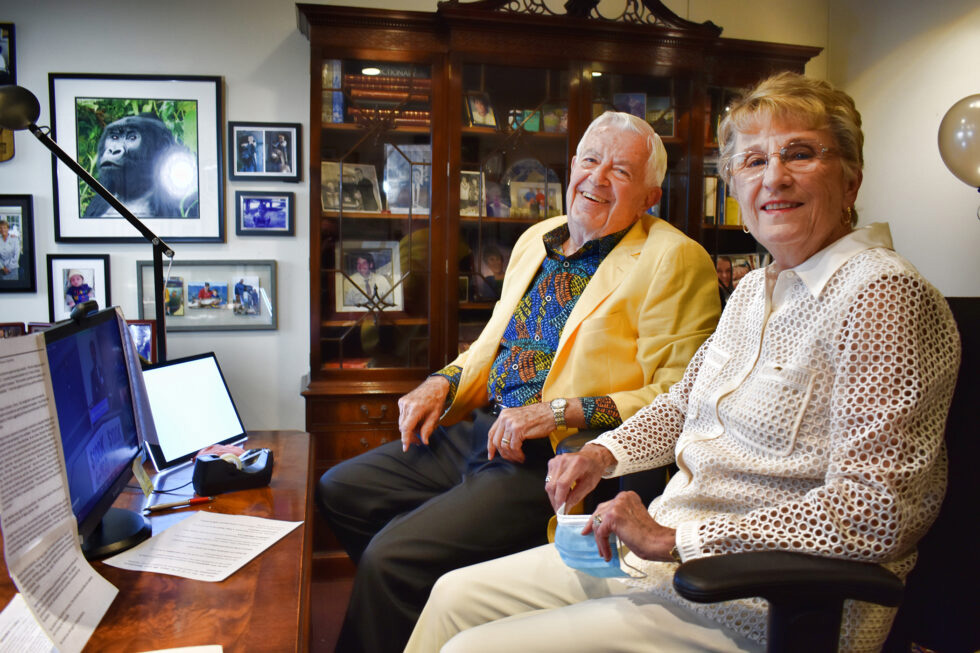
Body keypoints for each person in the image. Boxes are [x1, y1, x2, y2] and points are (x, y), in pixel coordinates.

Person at [407, 72, 961, 653]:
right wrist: (601, 454)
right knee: (452, 598)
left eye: (800, 153)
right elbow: (681, 401)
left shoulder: (881, 294)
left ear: (851, 177)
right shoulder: (753, 289)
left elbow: (876, 511)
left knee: (473, 648)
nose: (774, 176)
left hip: (766, 601)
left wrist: (678, 537)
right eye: (752, 161)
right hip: (668, 566)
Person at [317, 110, 721, 653]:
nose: (598, 178)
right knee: (341, 490)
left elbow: (675, 397)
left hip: (553, 458)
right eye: (590, 160)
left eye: (620, 172)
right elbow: (492, 343)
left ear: (650, 197)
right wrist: (441, 381)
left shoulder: (674, 258)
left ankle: (402, 590)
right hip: (481, 429)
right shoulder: (538, 238)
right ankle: (412, 613)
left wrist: (556, 412)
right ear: (571, 166)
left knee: (390, 557)